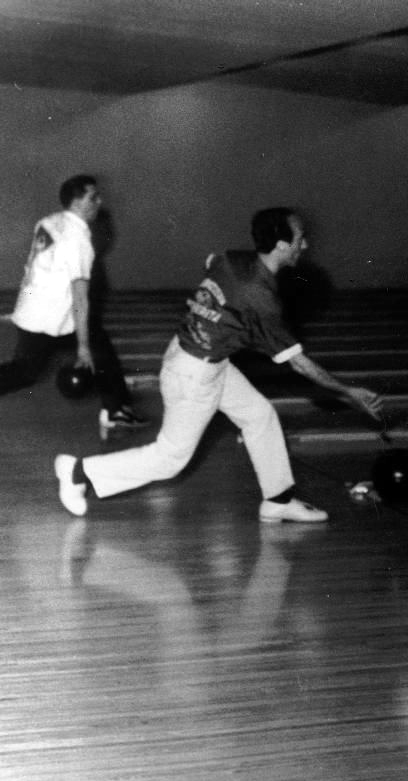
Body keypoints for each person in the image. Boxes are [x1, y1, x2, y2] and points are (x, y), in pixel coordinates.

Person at [54, 207, 384, 523]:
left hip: (200, 356)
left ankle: (278, 502)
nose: (305, 244)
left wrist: (219, 315)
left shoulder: (233, 258)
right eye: (300, 238)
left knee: (258, 415)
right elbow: (299, 364)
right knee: (170, 459)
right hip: (195, 373)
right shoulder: (261, 299)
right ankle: (77, 472)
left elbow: (211, 261)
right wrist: (348, 391)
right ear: (282, 245)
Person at [0, 174, 147, 436]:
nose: (99, 202)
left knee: (99, 346)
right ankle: (117, 410)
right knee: (26, 373)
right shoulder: (77, 241)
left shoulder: (49, 221)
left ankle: (117, 409)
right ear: (77, 201)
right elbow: (80, 297)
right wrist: (82, 348)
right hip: (48, 318)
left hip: (32, 310)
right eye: (93, 197)